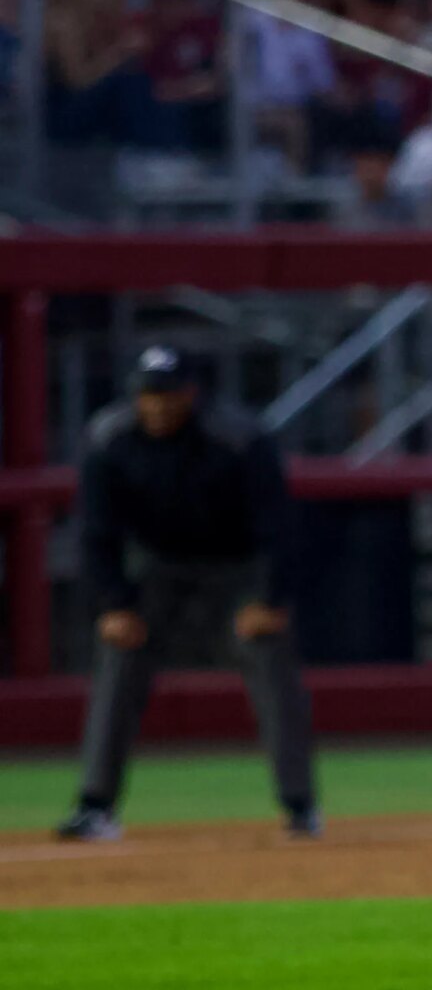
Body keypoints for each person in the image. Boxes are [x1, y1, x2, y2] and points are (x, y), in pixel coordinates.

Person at [56, 347, 318, 843]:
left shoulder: (238, 438)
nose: (156, 406)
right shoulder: (109, 437)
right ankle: (96, 804)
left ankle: (300, 805)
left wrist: (270, 599)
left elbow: (280, 527)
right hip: (159, 571)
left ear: (191, 393)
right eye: (148, 395)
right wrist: (114, 603)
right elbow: (95, 532)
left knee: (269, 655)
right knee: (119, 653)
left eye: (167, 394)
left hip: (234, 571)